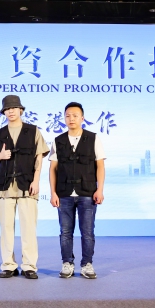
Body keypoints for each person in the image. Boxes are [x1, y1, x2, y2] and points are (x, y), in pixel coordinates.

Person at [0, 95, 49, 279]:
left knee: (29, 228)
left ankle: (29, 266)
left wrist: (36, 180)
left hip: (27, 185)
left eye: (14, 108)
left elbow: (39, 156)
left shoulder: (33, 131)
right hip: (4, 186)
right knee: (6, 228)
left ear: (21, 110)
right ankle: (8, 265)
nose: (10, 111)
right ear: (4, 112)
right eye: (7, 109)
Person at [49, 102, 105, 279]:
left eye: (75, 115)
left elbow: (100, 166)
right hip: (64, 193)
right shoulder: (58, 140)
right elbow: (53, 169)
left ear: (82, 118)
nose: (71, 119)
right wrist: (53, 193)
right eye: (68, 116)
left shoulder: (93, 138)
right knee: (65, 232)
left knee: (87, 232)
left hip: (87, 192)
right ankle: (67, 263)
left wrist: (100, 189)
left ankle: (87, 264)